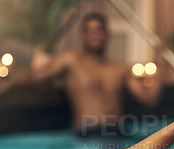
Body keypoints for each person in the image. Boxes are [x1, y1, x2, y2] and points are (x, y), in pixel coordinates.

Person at [0, 12, 161, 134]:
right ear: (82, 35)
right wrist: (10, 83)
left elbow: (148, 98)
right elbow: (37, 76)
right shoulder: (72, 61)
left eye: (98, 29)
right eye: (88, 30)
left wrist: (159, 62)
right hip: (88, 133)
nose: (93, 34)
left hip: (117, 132)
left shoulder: (119, 69)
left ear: (107, 34)